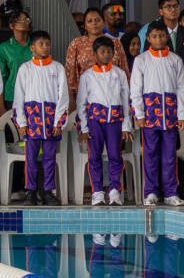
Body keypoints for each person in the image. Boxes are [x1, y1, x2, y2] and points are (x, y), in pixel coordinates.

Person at [129, 22, 184, 206]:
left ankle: (170, 192)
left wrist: (181, 115)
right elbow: (135, 89)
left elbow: (181, 89)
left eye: (162, 36)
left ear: (167, 36)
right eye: (154, 36)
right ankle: (151, 192)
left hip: (170, 114)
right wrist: (139, 114)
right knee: (150, 154)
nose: (159, 39)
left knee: (169, 155)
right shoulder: (141, 60)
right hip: (150, 114)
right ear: (148, 38)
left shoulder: (175, 60)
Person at [12, 30, 68, 205]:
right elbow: (18, 97)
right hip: (32, 120)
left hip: (51, 121)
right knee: (31, 159)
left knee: (49, 158)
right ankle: (30, 191)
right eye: (41, 44)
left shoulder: (57, 68)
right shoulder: (25, 69)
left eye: (47, 44)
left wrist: (59, 121)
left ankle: (48, 192)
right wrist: (21, 122)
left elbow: (63, 97)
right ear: (32, 47)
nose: (45, 47)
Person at [76, 36, 129, 207]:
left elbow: (126, 101)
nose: (106, 55)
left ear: (114, 53)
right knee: (95, 157)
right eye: (102, 52)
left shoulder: (119, 74)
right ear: (94, 54)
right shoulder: (87, 76)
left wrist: (126, 125)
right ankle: (97, 192)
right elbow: (81, 103)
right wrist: (83, 127)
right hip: (94, 122)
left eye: (109, 52)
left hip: (114, 121)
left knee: (115, 156)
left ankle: (114, 191)